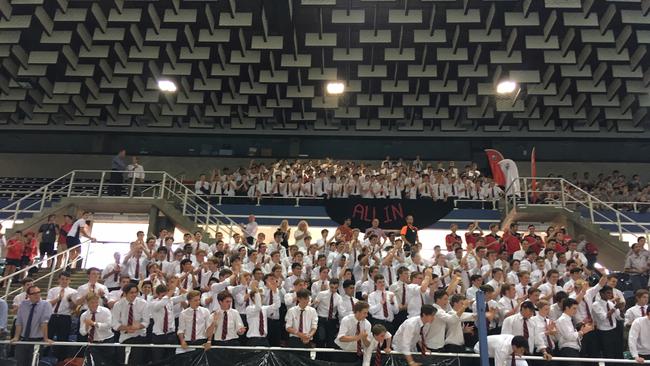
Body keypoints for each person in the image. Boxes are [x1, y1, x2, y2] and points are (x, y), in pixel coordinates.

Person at [10, 286, 54, 366]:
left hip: (37, 340)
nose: (37, 295)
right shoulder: (23, 304)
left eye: (38, 292)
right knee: (19, 363)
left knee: (33, 363)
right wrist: (16, 337)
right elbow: (19, 322)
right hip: (23, 340)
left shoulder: (46, 305)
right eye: (34, 293)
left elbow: (44, 323)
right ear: (28, 295)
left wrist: (45, 338)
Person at [111, 283, 149, 365]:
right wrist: (127, 328)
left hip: (139, 336)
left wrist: (137, 326)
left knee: (136, 361)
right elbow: (114, 324)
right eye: (131, 292)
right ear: (125, 293)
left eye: (136, 292)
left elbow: (146, 322)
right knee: (123, 361)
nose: (134, 295)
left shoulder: (143, 303)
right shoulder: (118, 305)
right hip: (124, 337)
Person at [46, 272, 77, 361]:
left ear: (70, 280)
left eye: (67, 279)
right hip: (52, 316)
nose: (64, 281)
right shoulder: (53, 290)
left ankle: (60, 360)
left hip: (65, 317)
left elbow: (74, 308)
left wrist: (70, 300)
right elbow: (48, 304)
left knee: (63, 339)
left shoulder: (73, 292)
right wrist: (58, 299)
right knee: (48, 337)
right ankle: (44, 357)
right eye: (62, 279)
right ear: (59, 280)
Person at [79, 294, 114, 363]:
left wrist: (94, 324)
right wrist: (86, 325)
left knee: (108, 362)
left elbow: (109, 325)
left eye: (96, 302)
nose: (95, 304)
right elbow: (82, 332)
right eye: (92, 302)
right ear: (87, 303)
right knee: (93, 363)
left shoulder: (105, 311)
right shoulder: (84, 315)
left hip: (107, 341)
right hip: (93, 342)